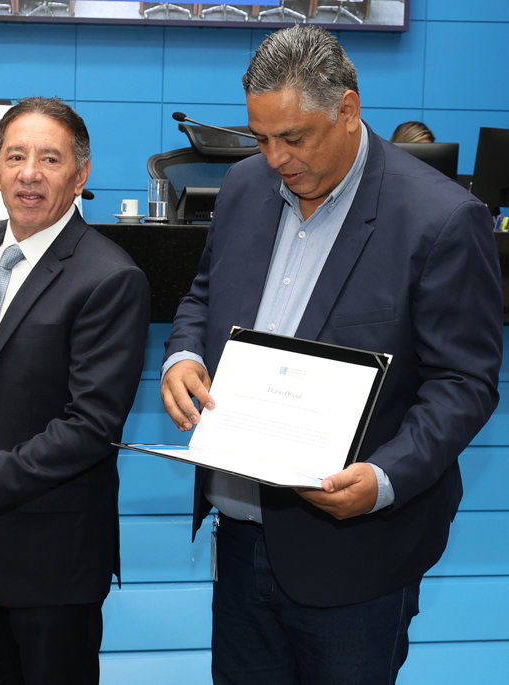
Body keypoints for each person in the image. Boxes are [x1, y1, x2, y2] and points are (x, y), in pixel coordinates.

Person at [160, 25, 502, 684]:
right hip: (239, 534)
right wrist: (182, 355)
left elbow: (463, 382)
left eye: (293, 138)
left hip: (357, 553)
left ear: (347, 110)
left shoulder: (440, 219)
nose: (275, 158)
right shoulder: (242, 188)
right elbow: (202, 295)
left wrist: (385, 478)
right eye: (260, 138)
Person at [0, 96, 151, 684]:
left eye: (50, 159)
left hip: (52, 560)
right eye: (15, 157)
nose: (30, 174)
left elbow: (90, 427)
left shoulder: (111, 278)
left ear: (81, 174)